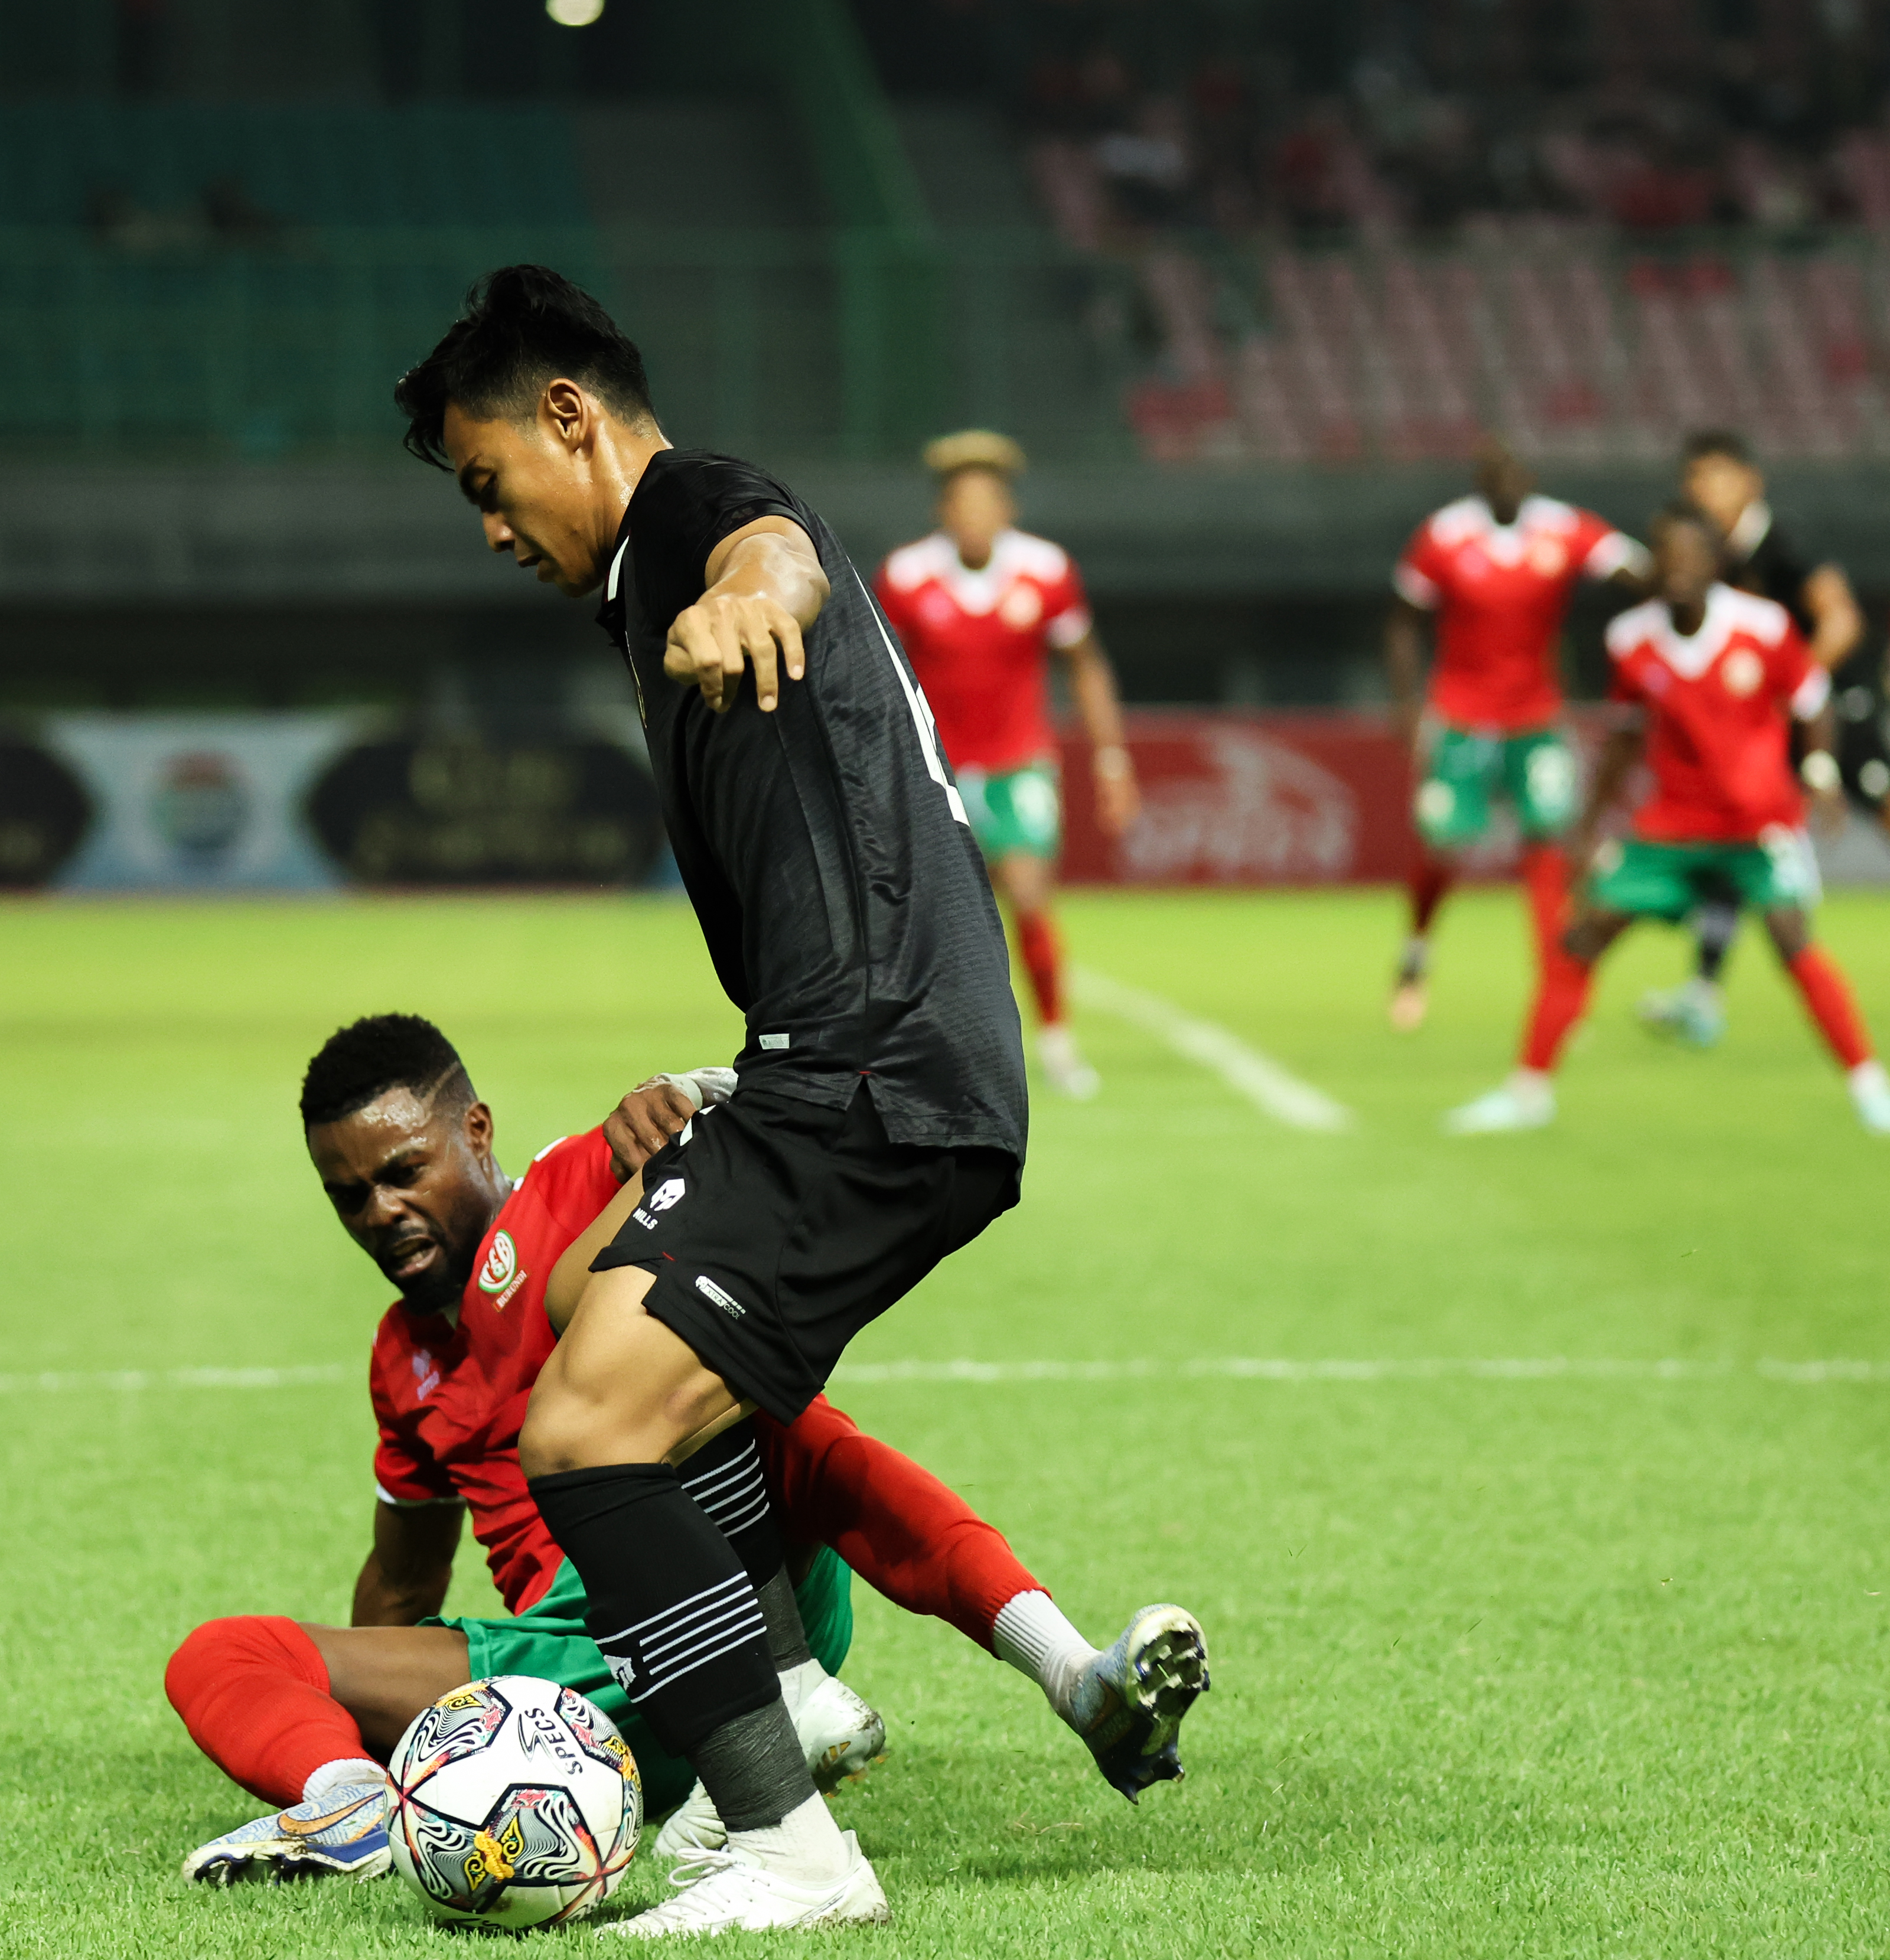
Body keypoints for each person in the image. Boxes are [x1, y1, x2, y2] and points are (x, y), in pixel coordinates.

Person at [396, 266, 1203, 1935]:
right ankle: (755, 1756)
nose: (487, 526)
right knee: (592, 1322)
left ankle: (788, 1842)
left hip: (873, 1067)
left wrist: (749, 590)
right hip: (855, 1054)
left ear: (569, 418)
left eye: (488, 484)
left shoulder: (691, 514)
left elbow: (762, 533)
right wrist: (716, 1079)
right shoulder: (643, 585)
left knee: (582, 1426)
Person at [168, 1015, 1201, 1886]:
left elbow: (699, 1133)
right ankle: (349, 1810)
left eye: (403, 1170)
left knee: (774, 1420)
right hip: (565, 1672)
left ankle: (1071, 1674)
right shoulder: (401, 1359)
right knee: (219, 1651)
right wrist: (376, 1733)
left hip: (722, 1588)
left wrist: (681, 1095)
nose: (380, 1210)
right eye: (348, 1194)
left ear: (475, 1131)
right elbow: (399, 1584)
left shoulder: (578, 1177)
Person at [1445, 504, 1890, 1139]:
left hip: (1755, 825)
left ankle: (1871, 1088)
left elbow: (1810, 702)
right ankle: (1527, 1092)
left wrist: (1820, 775)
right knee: (1582, 937)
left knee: (1793, 944)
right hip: (1669, 827)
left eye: (1691, 554)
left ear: (1716, 564)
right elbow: (1624, 738)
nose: (1677, 567)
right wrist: (1589, 825)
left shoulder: (1763, 626)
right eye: (1665, 554)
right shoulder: (1631, 639)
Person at [1637, 432, 1890, 1048]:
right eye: (1693, 479)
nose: (1701, 490)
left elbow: (1841, 621)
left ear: (1751, 481)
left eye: (1714, 476)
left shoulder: (1781, 545)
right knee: (1738, 840)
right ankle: (1703, 992)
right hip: (1782, 723)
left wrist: (1787, 685)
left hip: (1834, 712)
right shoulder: (1711, 557)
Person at [875, 430, 1138, 1098]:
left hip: (1021, 762)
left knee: (1027, 895)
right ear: (943, 509)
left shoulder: (1046, 571)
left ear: (1006, 507)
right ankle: (928, 1049)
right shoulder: (906, 577)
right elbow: (878, 678)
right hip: (938, 769)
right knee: (929, 916)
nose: (974, 513)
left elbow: (1085, 666)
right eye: (961, 500)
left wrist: (1111, 760)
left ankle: (1054, 1041)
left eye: (986, 499)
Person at [1383, 438, 1651, 1030]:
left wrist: (1665, 589)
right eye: (1494, 471)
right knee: (1443, 846)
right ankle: (1415, 955)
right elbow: (1403, 622)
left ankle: (1553, 988)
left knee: (1548, 846)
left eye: (1516, 470)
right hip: (1460, 716)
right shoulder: (1447, 534)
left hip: (1536, 717)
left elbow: (1638, 570)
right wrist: (1406, 708)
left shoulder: (1562, 528)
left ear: (1531, 477)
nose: (1506, 480)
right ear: (1478, 480)